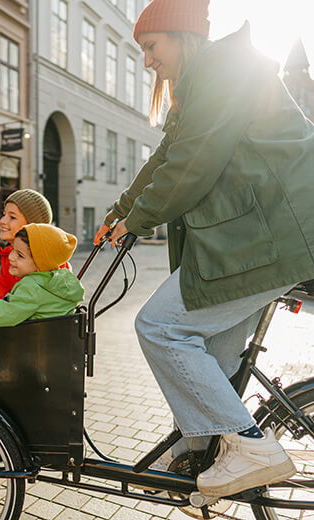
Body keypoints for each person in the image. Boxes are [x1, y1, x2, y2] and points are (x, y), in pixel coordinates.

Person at [94, 0, 314, 498]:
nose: (147, 60)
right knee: (210, 356)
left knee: (160, 327)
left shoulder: (222, 70)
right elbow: (167, 156)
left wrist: (138, 218)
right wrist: (120, 210)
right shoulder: (201, 84)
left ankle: (250, 449)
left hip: (272, 236)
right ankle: (199, 460)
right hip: (257, 239)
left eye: (151, 47)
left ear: (181, 36)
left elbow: (193, 162)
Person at [0, 189, 69, 309]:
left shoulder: (51, 260)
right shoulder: (8, 255)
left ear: (32, 226)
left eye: (12, 217)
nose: (2, 221)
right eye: (4, 214)